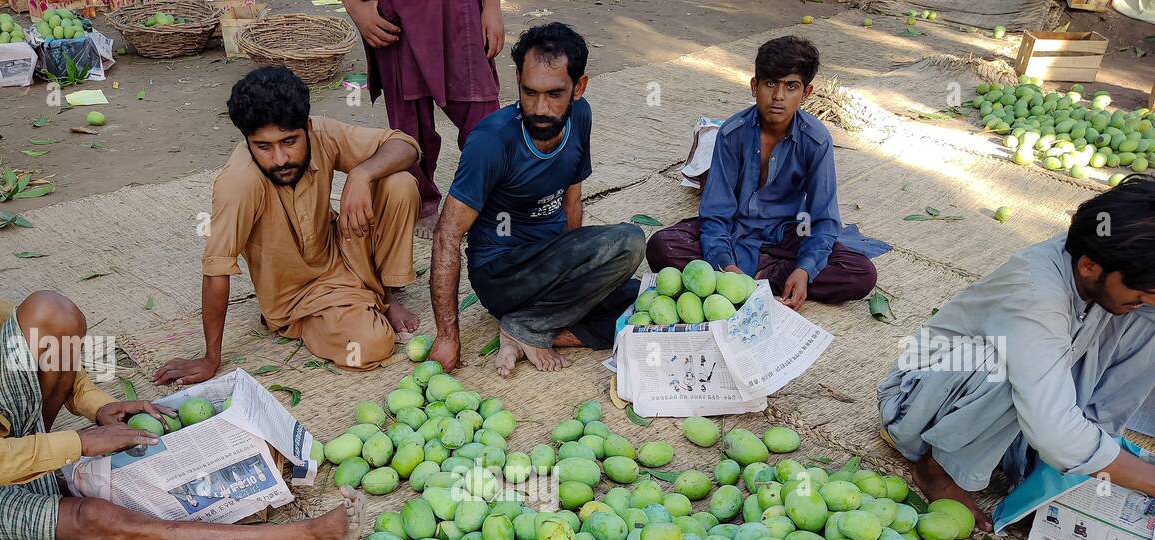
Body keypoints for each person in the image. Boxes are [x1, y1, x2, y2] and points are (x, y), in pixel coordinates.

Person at [0, 153, 361, 540]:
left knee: (49, 314)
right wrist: (75, 444)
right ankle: (302, 536)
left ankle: (35, 477)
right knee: (90, 516)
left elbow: (25, 337)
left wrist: (95, 404)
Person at [878, 174, 1155, 532]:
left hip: (1012, 405)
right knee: (1015, 364)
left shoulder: (1105, 259)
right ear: (1089, 266)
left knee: (1146, 320)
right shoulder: (1035, 299)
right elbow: (1053, 430)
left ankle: (1079, 448)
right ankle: (939, 469)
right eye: (1143, 289)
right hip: (922, 405)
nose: (1147, 297)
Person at [154, 66, 422, 386]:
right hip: (299, 296)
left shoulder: (322, 134)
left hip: (344, 250)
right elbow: (216, 269)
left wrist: (360, 175)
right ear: (247, 141)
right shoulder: (238, 183)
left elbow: (404, 145)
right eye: (263, 146)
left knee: (399, 183)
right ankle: (306, 321)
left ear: (307, 128)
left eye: (289, 141)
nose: (280, 159)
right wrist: (211, 357)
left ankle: (387, 297)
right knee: (371, 344)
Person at [428, 23, 644, 376]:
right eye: (530, 92)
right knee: (629, 240)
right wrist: (447, 336)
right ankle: (529, 325)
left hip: (550, 272)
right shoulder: (491, 142)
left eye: (555, 94)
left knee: (643, 302)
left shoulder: (581, 116)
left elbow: (572, 198)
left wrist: (581, 272)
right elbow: (447, 233)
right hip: (503, 276)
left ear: (579, 87)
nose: (540, 108)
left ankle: (541, 329)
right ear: (517, 80)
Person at [646, 36, 886, 312]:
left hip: (787, 233)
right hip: (735, 230)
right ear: (754, 86)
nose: (778, 96)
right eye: (770, 83)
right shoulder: (731, 134)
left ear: (806, 93)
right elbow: (716, 213)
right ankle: (757, 275)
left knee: (860, 273)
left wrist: (805, 269)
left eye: (791, 86)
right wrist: (724, 263)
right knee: (663, 246)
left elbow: (823, 219)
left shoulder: (816, 140)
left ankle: (762, 276)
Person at [344, 0, 503, 238]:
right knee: (410, 121)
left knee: (484, 116)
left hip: (458, 10)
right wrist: (355, 6)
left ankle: (490, 196)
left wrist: (492, 7)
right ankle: (422, 201)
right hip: (396, 15)